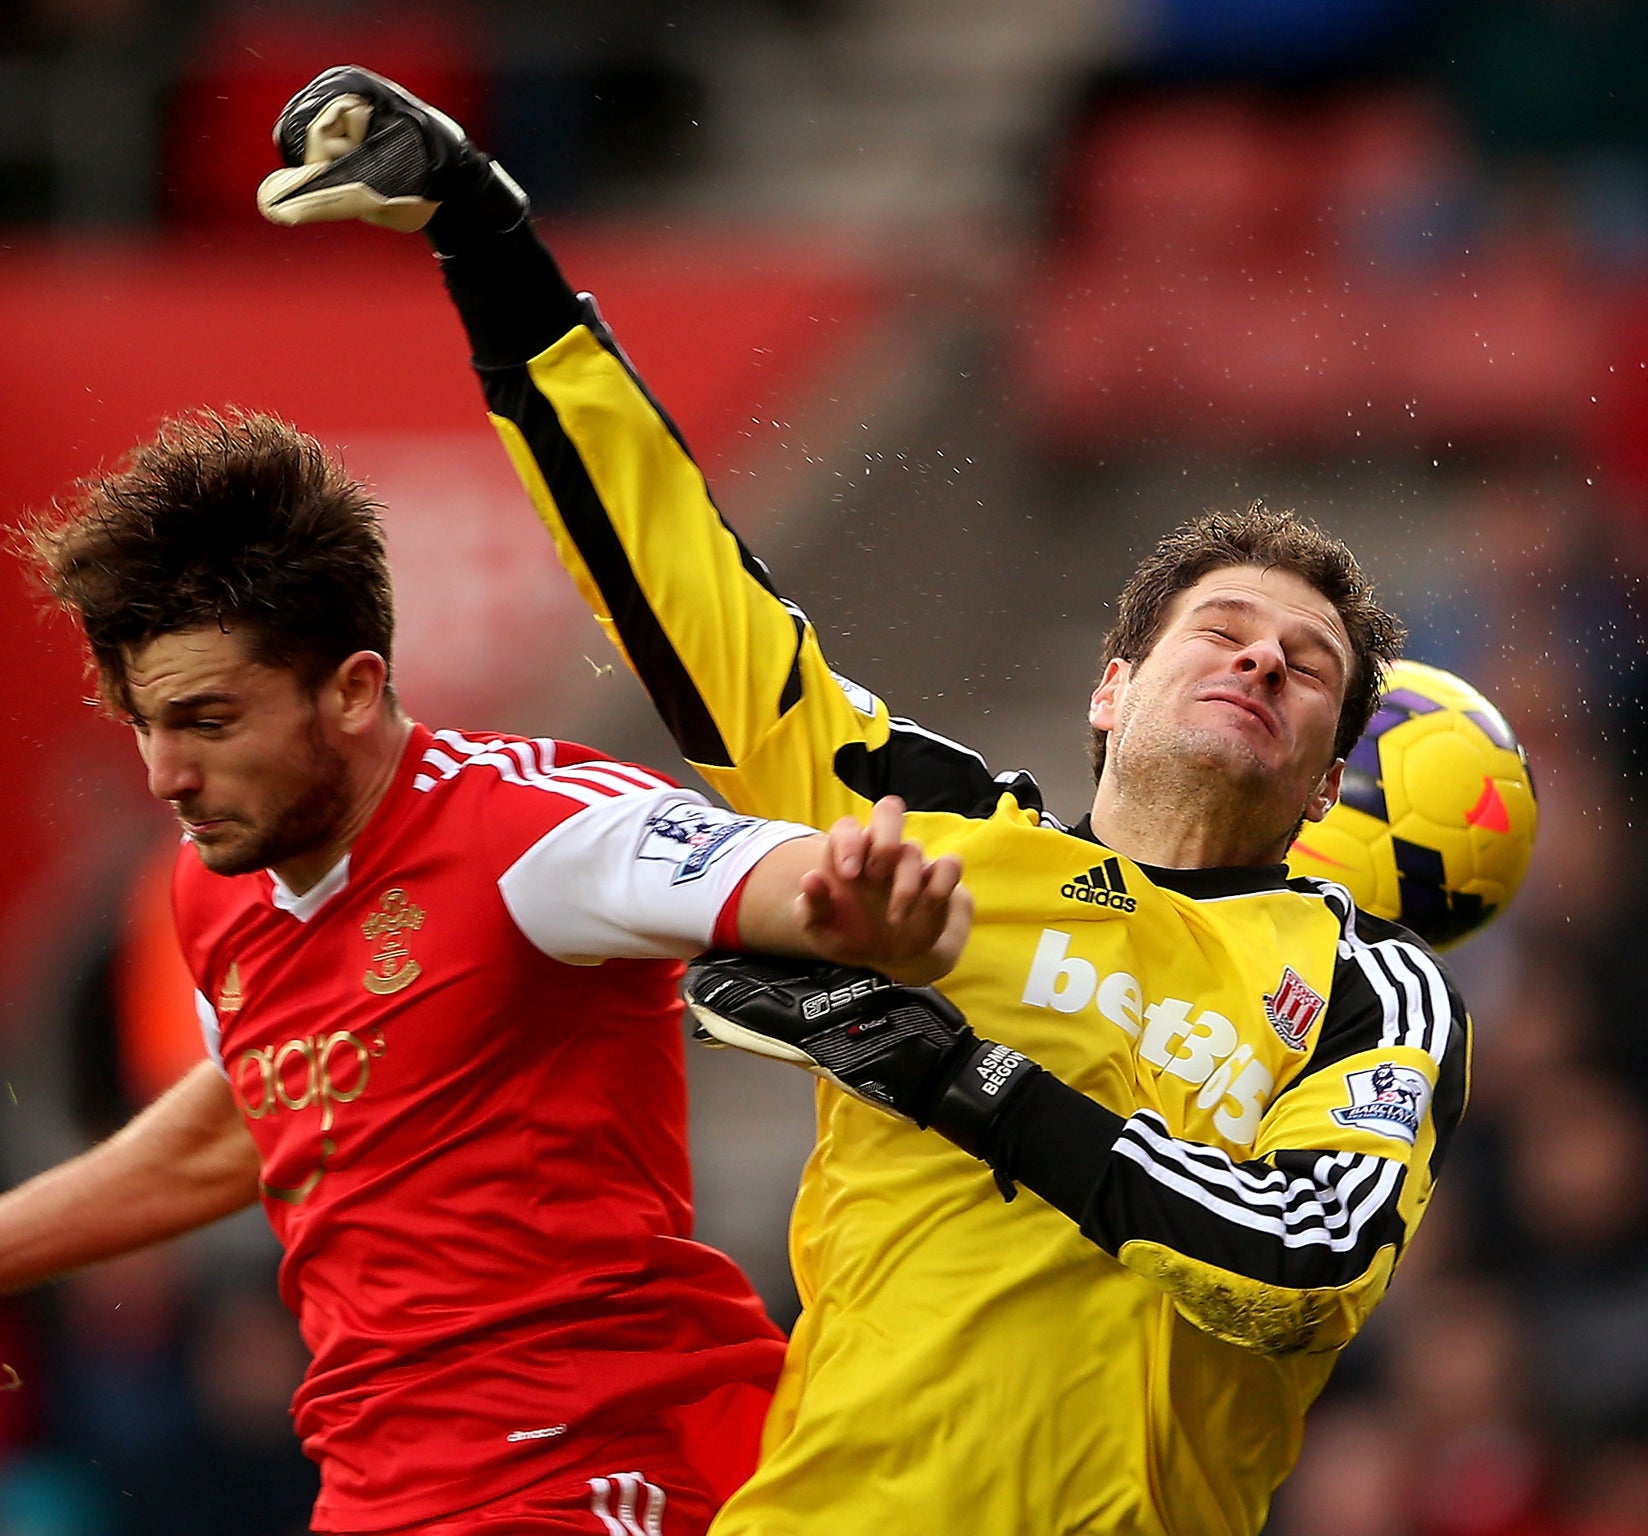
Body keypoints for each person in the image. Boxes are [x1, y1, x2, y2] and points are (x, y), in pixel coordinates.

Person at [257, 68, 1474, 1536]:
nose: (1264, 657)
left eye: (1310, 665)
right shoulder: (936, 825)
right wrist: (485, 236)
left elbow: (1302, 1267)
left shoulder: (1367, 988)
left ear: (1328, 768)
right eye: (1223, 629)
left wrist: (959, 1078)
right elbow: (683, 586)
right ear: (1109, 686)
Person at [0, 409, 972, 1534]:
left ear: (353, 689)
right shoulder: (214, 883)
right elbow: (257, 1116)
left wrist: (870, 915)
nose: (165, 775)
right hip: (380, 1496)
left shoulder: (529, 833)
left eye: (209, 722)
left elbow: (786, 881)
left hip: (602, 1472)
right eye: (144, 726)